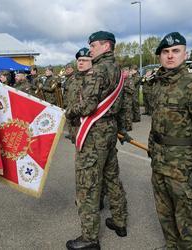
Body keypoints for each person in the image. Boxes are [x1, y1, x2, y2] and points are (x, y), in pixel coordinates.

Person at [65, 31, 130, 250]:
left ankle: (90, 238)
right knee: (112, 177)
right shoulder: (118, 70)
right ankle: (120, 221)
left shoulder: (98, 70)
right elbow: (121, 104)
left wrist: (68, 112)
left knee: (88, 184)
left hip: (94, 132)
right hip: (109, 130)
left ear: (106, 45)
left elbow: (88, 106)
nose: (90, 50)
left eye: (93, 46)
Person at [148, 32, 192, 249]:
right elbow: (157, 122)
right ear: (160, 56)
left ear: (185, 54)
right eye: (165, 52)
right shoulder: (159, 84)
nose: (170, 56)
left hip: (184, 169)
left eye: (175, 51)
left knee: (187, 222)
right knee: (165, 217)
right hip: (160, 164)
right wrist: (152, 149)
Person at [62, 63, 75, 140]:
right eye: (66, 69)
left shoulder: (73, 77)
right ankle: (71, 133)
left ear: (72, 69)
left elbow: (71, 87)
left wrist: (64, 86)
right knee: (69, 118)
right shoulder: (68, 77)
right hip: (67, 100)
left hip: (71, 101)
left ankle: (73, 134)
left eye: (68, 69)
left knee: (71, 118)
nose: (67, 71)